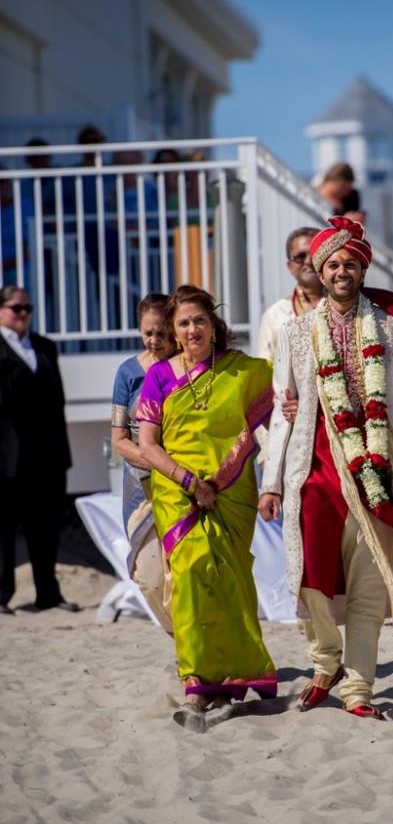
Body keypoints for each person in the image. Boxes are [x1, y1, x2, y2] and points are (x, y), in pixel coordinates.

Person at [258, 216, 393, 719]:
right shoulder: (296, 333)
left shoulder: (390, 329)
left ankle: (359, 687)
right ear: (319, 270)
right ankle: (325, 662)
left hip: (376, 471)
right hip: (314, 470)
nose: (341, 272)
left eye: (350, 264)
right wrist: (271, 482)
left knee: (368, 582)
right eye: (333, 264)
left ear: (363, 271)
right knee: (311, 578)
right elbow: (283, 408)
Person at [137, 285, 277, 732]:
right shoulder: (159, 376)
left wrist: (217, 480)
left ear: (214, 326)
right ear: (174, 332)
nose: (192, 329)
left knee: (230, 579)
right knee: (193, 573)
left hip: (232, 490)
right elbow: (146, 445)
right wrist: (189, 481)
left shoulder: (246, 372)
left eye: (199, 320)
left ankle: (232, 678)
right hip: (177, 492)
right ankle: (197, 680)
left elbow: (286, 400)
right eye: (183, 323)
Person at [0, 286, 78, 614]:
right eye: (16, 308)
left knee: (45, 528)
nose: (23, 314)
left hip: (46, 455)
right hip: (7, 458)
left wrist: (62, 451)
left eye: (28, 308)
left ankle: (48, 593)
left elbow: (57, 401)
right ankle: (2, 596)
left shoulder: (45, 347)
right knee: (3, 530)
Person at [111, 293, 174, 630]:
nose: (155, 340)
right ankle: (182, 640)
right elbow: (119, 439)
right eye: (148, 332)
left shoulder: (186, 368)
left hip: (186, 485)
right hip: (142, 488)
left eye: (162, 332)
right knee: (148, 578)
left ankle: (197, 654)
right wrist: (156, 461)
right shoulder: (129, 373)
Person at [257, 227, 322, 361]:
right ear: (290, 266)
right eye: (300, 256)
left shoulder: (346, 305)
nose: (309, 261)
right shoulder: (275, 315)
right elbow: (266, 369)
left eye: (316, 253)